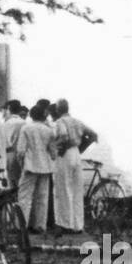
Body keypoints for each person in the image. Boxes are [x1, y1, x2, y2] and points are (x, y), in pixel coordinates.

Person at [51, 99, 96, 233]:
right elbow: (93, 135)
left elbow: (64, 136)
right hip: (76, 154)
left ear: (58, 110)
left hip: (64, 154)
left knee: (63, 188)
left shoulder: (59, 122)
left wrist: (57, 145)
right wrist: (80, 147)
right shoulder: (77, 121)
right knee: (76, 190)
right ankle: (78, 224)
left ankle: (65, 224)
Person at [16, 101, 59, 235]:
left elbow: (21, 150)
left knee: (25, 197)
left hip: (30, 165)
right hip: (45, 166)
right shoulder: (49, 130)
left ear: (31, 115)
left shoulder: (26, 128)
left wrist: (21, 164)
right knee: (42, 197)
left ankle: (22, 225)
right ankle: (40, 225)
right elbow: (53, 152)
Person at [2, 100, 25, 188]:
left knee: (11, 182)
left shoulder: (6, 124)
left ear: (9, 109)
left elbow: (3, 141)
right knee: (21, 182)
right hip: (21, 154)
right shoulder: (24, 122)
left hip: (9, 154)